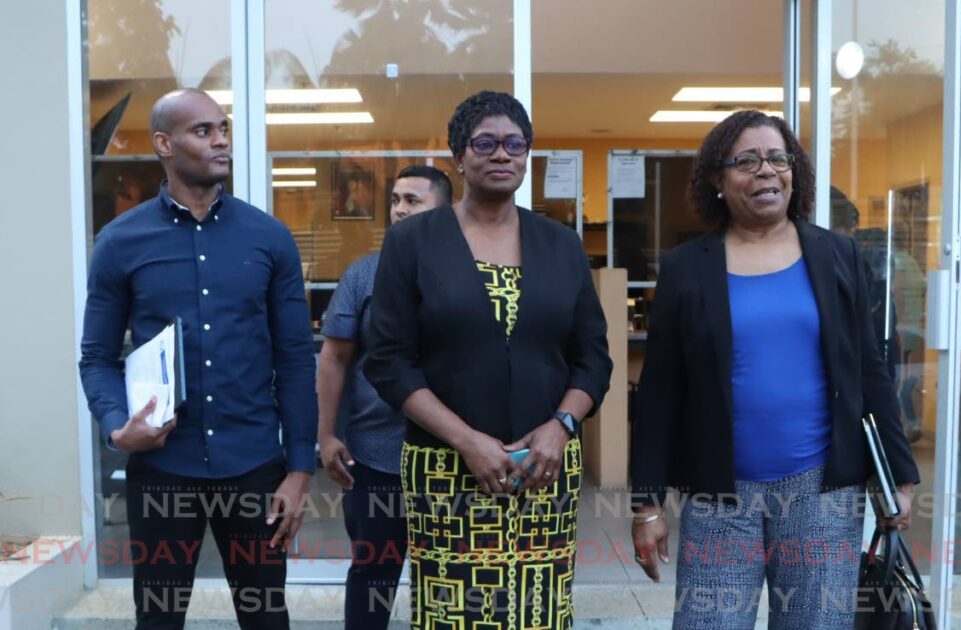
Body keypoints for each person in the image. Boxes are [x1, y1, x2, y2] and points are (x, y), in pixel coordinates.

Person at [629, 110, 920, 629]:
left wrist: (899, 474)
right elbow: (659, 392)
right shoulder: (686, 267)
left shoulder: (837, 255)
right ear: (717, 180)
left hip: (822, 495)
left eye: (777, 157)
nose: (765, 170)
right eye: (745, 160)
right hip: (718, 494)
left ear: (794, 172)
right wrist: (646, 505)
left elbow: (870, 369)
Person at [364, 91, 612, 629]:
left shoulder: (561, 244)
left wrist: (561, 427)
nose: (502, 154)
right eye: (486, 143)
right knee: (458, 615)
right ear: (459, 154)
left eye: (515, 143)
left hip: (543, 472)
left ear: (527, 154)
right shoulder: (413, 241)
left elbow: (592, 358)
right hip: (446, 469)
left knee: (537, 612)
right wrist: (467, 440)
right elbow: (387, 361)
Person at [79, 88, 317, 630]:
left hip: (256, 467)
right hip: (163, 469)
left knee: (266, 619)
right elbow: (96, 358)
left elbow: (297, 360)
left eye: (224, 128)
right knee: (159, 619)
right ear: (164, 143)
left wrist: (300, 470)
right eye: (203, 131)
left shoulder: (270, 239)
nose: (221, 141)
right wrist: (119, 429)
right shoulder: (120, 242)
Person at [317, 165, 452, 628]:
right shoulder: (363, 275)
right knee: (373, 576)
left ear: (444, 210)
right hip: (375, 459)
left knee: (449, 582)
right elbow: (333, 358)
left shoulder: (466, 276)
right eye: (395, 199)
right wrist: (326, 435)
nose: (399, 208)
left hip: (451, 460)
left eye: (412, 199)